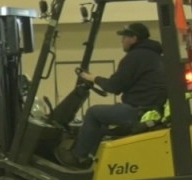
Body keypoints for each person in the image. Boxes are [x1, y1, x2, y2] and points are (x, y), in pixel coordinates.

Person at [62, 22, 168, 168]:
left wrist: (93, 78)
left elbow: (114, 86)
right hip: (151, 109)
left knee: (93, 113)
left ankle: (78, 156)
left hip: (137, 111)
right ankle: (90, 161)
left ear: (133, 38)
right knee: (102, 124)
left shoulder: (135, 57)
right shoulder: (155, 56)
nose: (122, 41)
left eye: (124, 37)